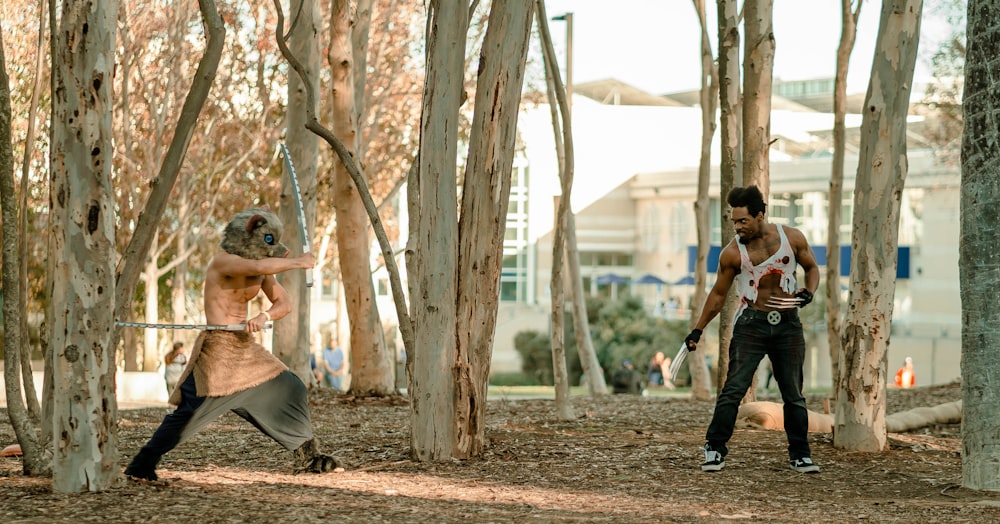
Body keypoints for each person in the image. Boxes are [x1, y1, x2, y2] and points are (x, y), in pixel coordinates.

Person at [125, 208, 341, 481]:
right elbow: (260, 267)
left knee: (290, 387)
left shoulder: (264, 267)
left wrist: (264, 316)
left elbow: (284, 303)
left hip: (245, 347)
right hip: (218, 350)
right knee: (191, 411)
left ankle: (307, 455)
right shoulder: (223, 262)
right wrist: (301, 263)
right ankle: (143, 463)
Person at [683, 185, 821, 474]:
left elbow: (812, 268)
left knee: (793, 393)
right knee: (733, 390)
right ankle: (714, 449)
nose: (738, 227)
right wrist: (697, 331)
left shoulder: (791, 238)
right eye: (734, 221)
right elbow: (718, 295)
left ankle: (800, 454)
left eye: (743, 221)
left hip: (788, 326)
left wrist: (809, 292)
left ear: (760, 215)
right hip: (750, 326)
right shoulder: (732, 253)